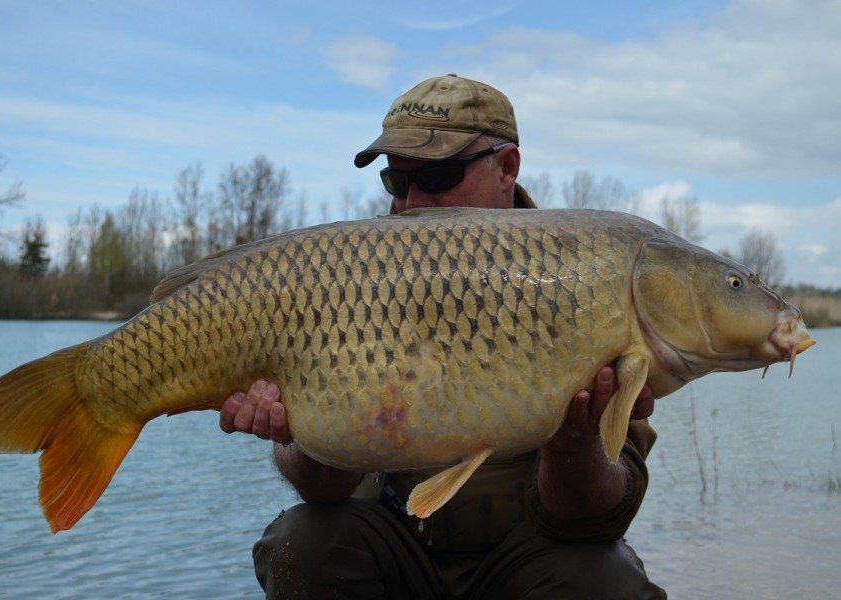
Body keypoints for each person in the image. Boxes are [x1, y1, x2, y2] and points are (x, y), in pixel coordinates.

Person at [220, 74, 667, 599]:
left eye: (438, 176)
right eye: (397, 182)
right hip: (395, 550)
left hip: (527, 561)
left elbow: (592, 521)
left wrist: (577, 439)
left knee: (604, 578)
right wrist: (296, 430)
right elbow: (321, 491)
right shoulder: (345, 279)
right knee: (304, 542)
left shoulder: (591, 276)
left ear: (507, 168)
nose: (412, 204)